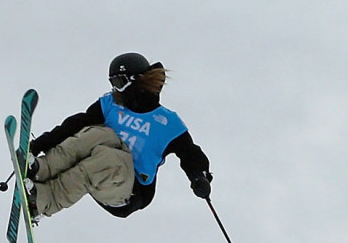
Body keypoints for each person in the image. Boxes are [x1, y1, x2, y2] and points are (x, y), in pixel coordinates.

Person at [24, 53, 212, 221]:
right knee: (98, 134)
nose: (117, 90)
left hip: (131, 192)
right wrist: (38, 144)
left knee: (110, 158)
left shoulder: (167, 123)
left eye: (120, 84)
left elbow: (190, 154)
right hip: (104, 174)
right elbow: (75, 125)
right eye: (113, 84)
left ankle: (43, 200)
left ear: (137, 81)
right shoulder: (112, 105)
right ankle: (41, 168)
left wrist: (199, 177)